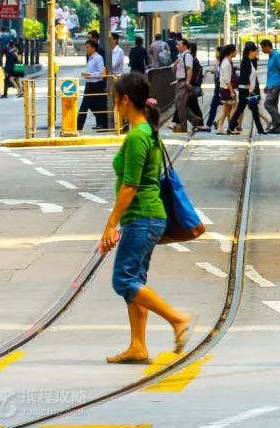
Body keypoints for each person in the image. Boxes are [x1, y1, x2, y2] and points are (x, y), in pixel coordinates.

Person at [99, 72, 193, 364]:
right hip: (145, 218)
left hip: (142, 217)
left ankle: (177, 319)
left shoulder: (139, 136)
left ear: (126, 100)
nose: (115, 105)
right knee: (135, 280)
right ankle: (138, 346)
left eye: (115, 100)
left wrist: (111, 222)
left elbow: (131, 185)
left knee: (123, 280)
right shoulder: (145, 131)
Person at [228, 42, 266, 135]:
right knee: (241, 110)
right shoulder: (245, 62)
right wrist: (250, 88)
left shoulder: (249, 61)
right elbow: (245, 77)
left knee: (253, 111)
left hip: (248, 90)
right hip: (245, 90)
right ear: (250, 52)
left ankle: (260, 130)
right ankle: (230, 127)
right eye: (255, 52)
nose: (256, 53)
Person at [171, 39, 201, 133]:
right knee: (180, 104)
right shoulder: (181, 56)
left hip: (184, 82)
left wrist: (187, 82)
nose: (177, 46)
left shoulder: (187, 56)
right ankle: (195, 119)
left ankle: (183, 126)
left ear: (185, 46)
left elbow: (189, 69)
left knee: (180, 105)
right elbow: (174, 69)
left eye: (179, 44)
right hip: (180, 82)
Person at [78, 39, 109, 130]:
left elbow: (101, 74)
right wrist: (87, 74)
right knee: (94, 106)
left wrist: (90, 75)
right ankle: (103, 123)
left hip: (96, 85)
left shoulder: (98, 58)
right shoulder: (90, 58)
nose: (86, 49)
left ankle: (78, 126)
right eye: (85, 48)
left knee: (85, 106)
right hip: (89, 84)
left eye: (88, 47)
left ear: (93, 48)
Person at [260, 39, 280, 134]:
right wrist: (267, 85)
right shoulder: (270, 56)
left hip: (276, 84)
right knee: (273, 105)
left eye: (262, 47)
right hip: (271, 84)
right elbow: (270, 72)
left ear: (267, 46)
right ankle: (276, 128)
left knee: (267, 104)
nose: (262, 50)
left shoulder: (276, 55)